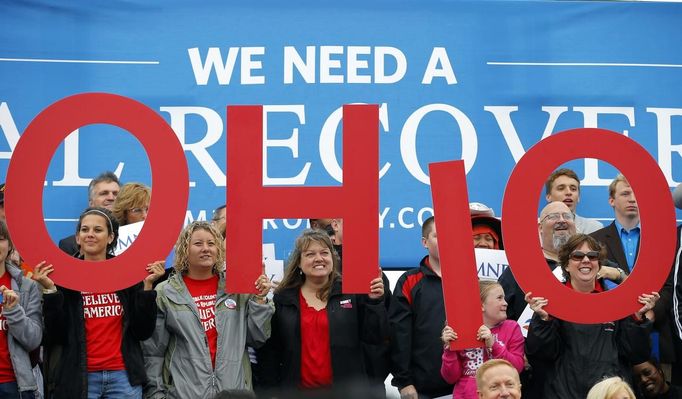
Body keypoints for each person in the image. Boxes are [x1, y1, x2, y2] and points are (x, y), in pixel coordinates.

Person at [33, 207, 164, 399]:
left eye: (98, 230)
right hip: (80, 378)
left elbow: (142, 331)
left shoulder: (126, 276)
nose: (90, 235)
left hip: (123, 377)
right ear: (77, 238)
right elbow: (55, 334)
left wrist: (147, 289)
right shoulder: (64, 277)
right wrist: (51, 291)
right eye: (85, 230)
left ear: (111, 237)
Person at [143, 221, 273, 398]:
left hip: (232, 392)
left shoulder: (237, 289)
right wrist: (156, 394)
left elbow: (257, 338)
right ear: (184, 250)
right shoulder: (166, 292)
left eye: (211, 243)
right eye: (198, 244)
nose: (206, 248)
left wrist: (259, 299)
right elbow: (153, 352)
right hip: (184, 393)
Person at [525, 234, 658, 399]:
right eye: (577, 256)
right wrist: (544, 321)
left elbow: (637, 354)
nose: (586, 260)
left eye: (593, 256)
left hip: (609, 393)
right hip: (563, 393)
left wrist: (637, 319)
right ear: (566, 265)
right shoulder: (550, 302)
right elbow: (540, 355)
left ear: (599, 264)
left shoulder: (618, 301)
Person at [258, 229, 387, 395]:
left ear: (332, 259)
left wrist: (374, 302)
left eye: (324, 253)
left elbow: (376, 338)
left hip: (347, 393)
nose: (319, 258)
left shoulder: (352, 292)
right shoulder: (283, 299)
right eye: (310, 254)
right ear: (298, 262)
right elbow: (271, 351)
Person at [591, 174, 675, 376]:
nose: (633, 199)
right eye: (626, 193)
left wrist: (653, 310)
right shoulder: (594, 241)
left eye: (637, 194)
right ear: (612, 200)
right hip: (611, 339)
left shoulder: (662, 239)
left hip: (657, 332)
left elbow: (669, 283)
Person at [389, 216, 453, 398]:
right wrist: (404, 382)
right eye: (438, 235)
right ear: (425, 242)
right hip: (422, 388)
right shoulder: (409, 281)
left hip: (466, 384)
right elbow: (399, 334)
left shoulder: (472, 279)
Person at [441, 280, 524, 398]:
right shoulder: (459, 330)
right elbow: (450, 378)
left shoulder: (512, 328)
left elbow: (517, 368)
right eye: (499, 298)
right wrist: (449, 350)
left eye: (504, 298)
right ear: (481, 305)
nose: (505, 303)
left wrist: (494, 345)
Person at [0, 220, 42, 398]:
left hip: (14, 384)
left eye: (0, 239)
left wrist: (14, 312)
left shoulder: (26, 286)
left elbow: (34, 340)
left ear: (9, 245)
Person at [58, 172, 121, 256]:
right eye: (104, 193)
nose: (111, 198)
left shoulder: (135, 239)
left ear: (111, 237)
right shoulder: (69, 245)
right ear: (91, 203)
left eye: (116, 194)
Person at [545, 168, 603, 234]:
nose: (569, 192)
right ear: (548, 197)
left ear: (578, 197)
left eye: (573, 189)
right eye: (561, 188)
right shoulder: (537, 229)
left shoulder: (594, 228)